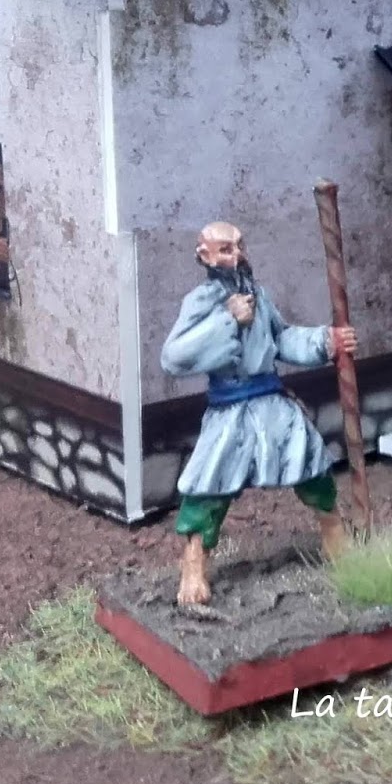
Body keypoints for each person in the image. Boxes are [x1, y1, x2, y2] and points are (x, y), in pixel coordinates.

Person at [160, 221, 358, 605]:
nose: (237, 255)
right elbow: (174, 357)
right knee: (209, 483)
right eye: (226, 249)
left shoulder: (258, 294)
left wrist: (326, 341)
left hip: (270, 402)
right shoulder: (200, 302)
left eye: (239, 246)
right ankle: (194, 564)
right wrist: (227, 320)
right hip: (230, 409)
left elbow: (281, 337)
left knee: (310, 459)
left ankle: (335, 535)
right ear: (205, 256)